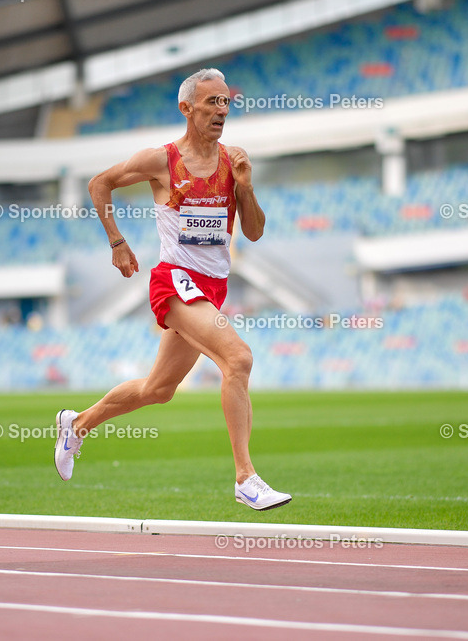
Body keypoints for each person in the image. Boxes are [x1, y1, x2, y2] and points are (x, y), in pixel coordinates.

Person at [53, 68, 291, 511]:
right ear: (186, 108)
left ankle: (77, 424)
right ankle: (246, 478)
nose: (221, 111)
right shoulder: (161, 160)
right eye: (211, 103)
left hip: (213, 288)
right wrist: (117, 243)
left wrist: (245, 187)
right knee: (238, 359)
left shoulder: (233, 160)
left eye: (225, 102)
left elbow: (254, 233)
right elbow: (98, 184)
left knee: (158, 390)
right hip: (174, 282)